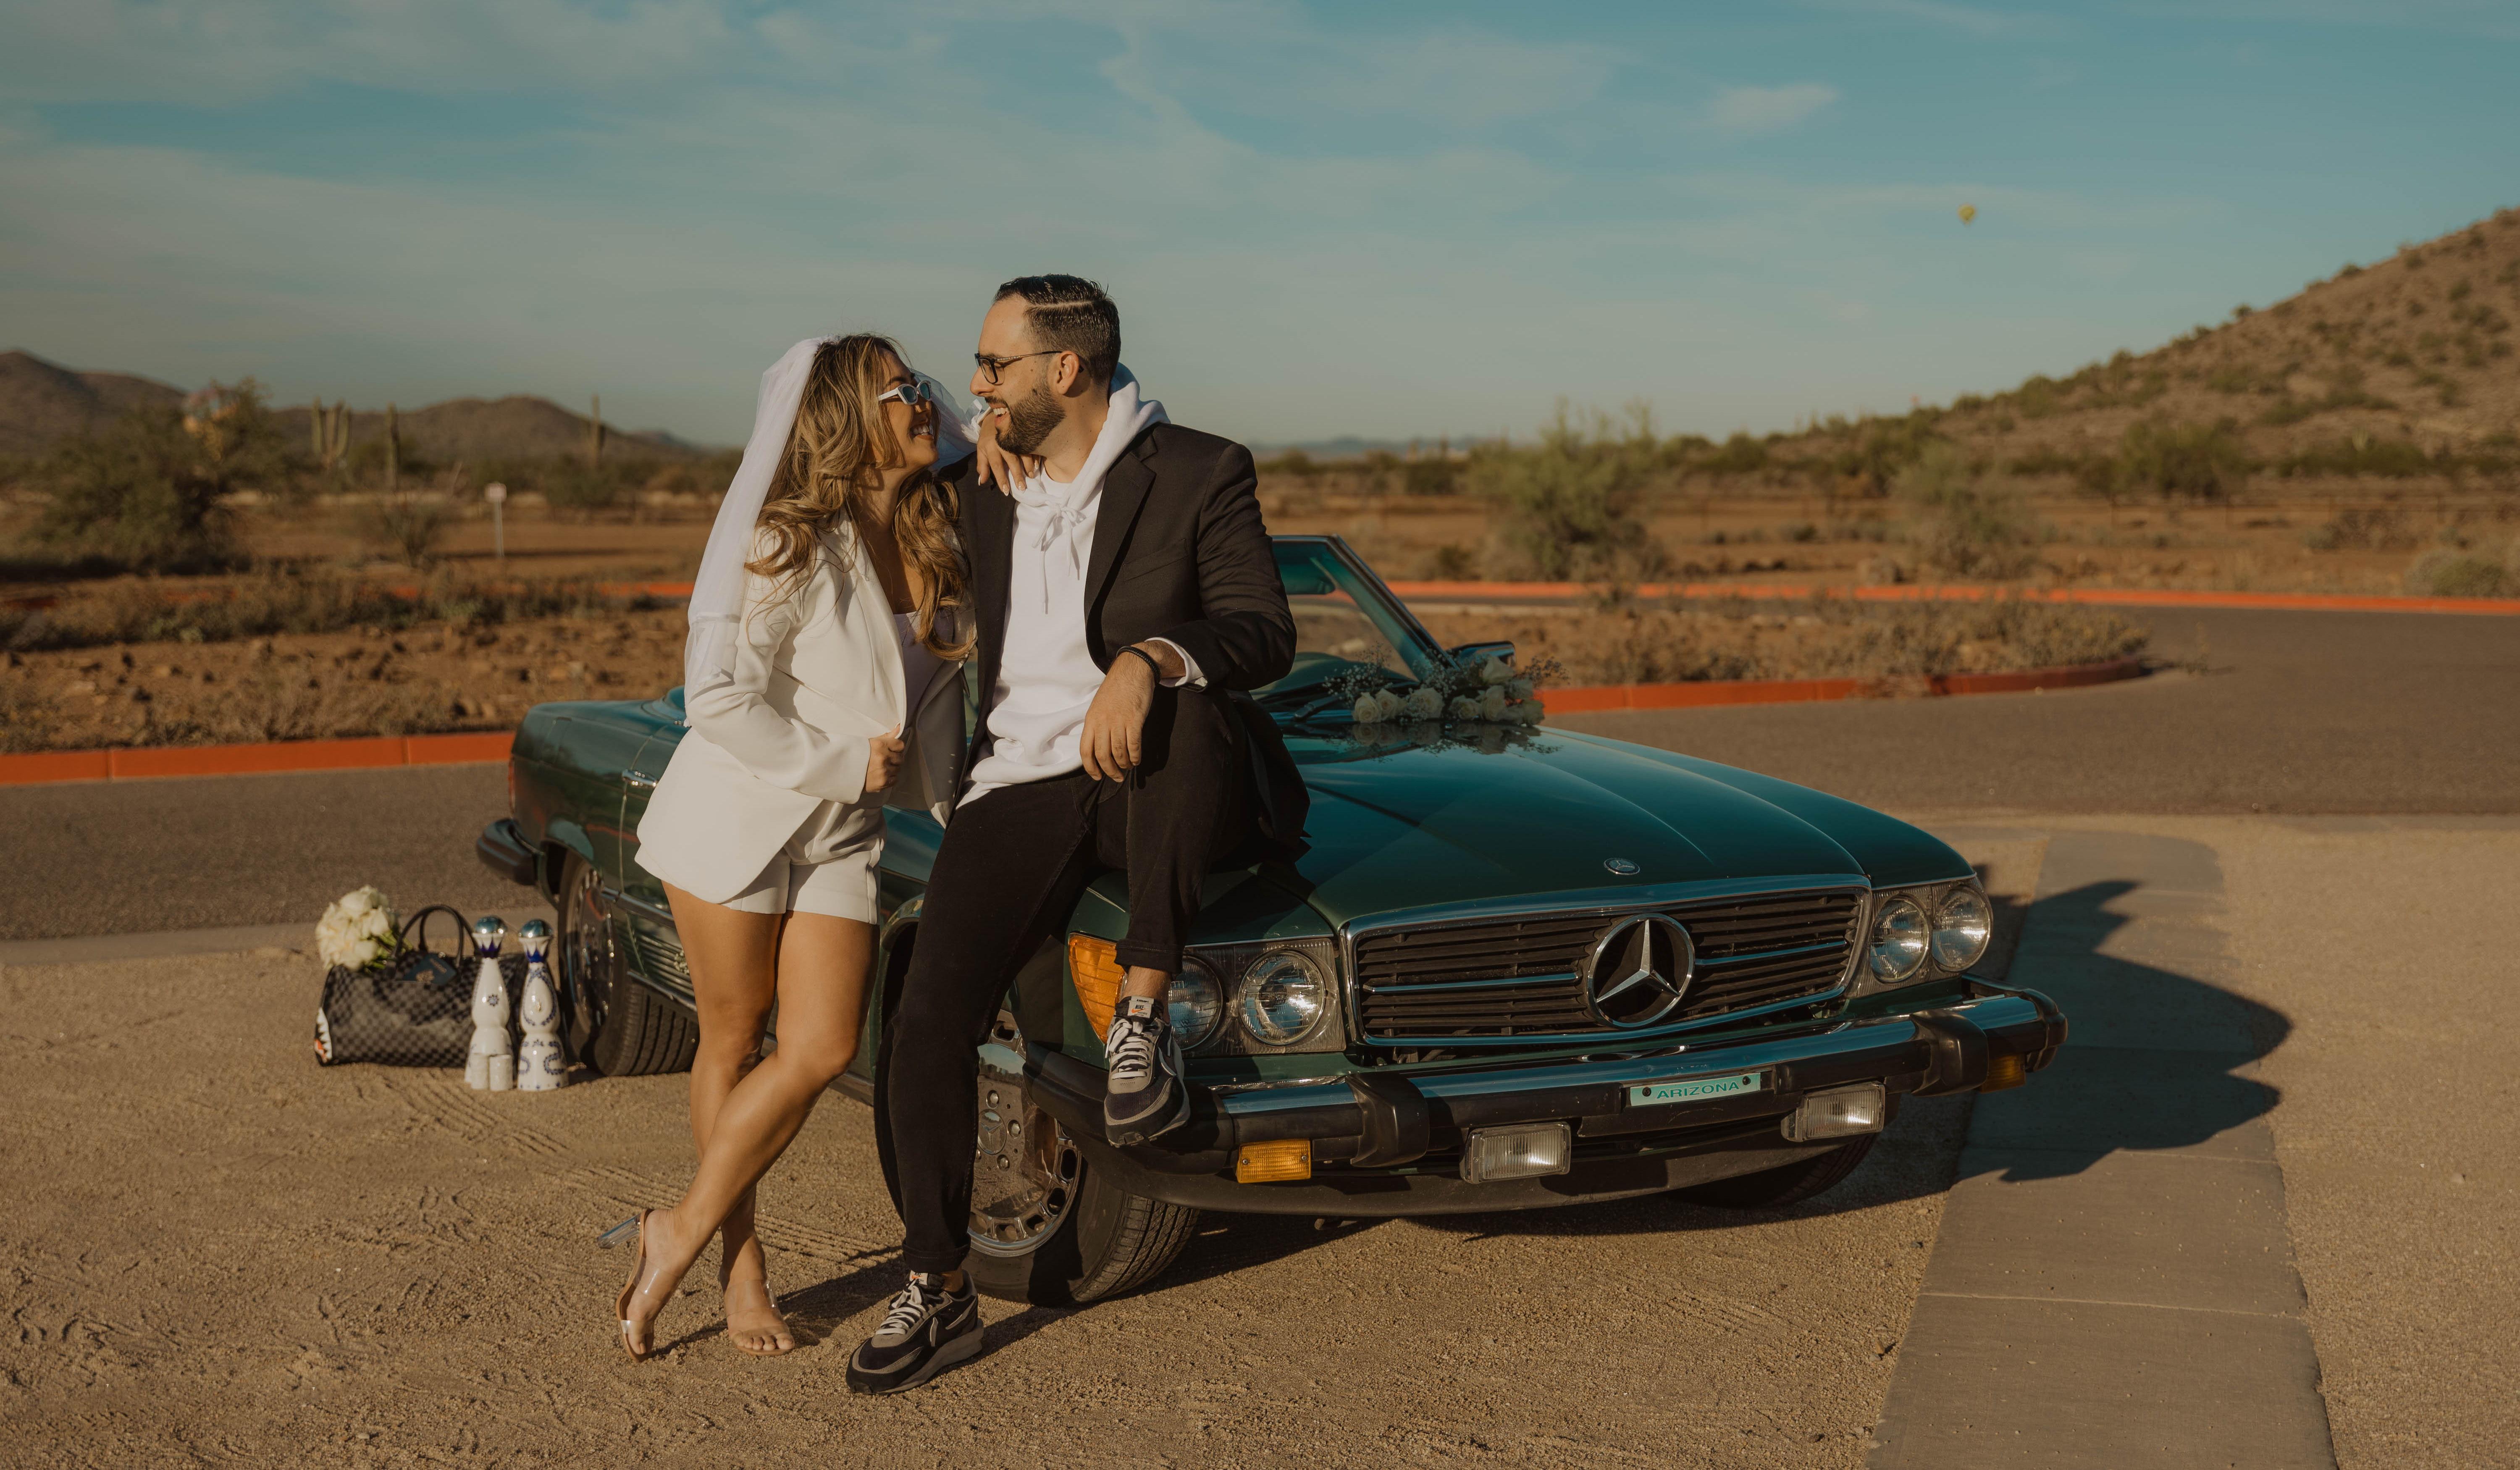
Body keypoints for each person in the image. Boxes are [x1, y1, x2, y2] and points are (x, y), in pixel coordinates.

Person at [847, 276, 1306, 1395]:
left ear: (1067, 369)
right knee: (926, 1019)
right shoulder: (982, 480)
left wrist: (1147, 659)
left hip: (1159, 771)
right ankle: (939, 1285)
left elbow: (1262, 628)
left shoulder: (1199, 469)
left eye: (993, 365)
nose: (975, 385)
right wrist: (986, 437)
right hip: (1022, 779)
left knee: (1192, 697)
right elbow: (868, 450)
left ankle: (1143, 1014)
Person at [604, 333, 1018, 1360]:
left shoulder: (934, 535)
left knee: (824, 1047)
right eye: (898, 391)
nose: (922, 402)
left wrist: (965, 820)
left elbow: (937, 694)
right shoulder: (787, 540)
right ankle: (741, 1270)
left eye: (919, 386)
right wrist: (841, 760)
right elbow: (716, 697)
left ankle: (675, 1229)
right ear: (846, 418)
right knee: (734, 1039)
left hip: (842, 832)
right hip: (738, 816)